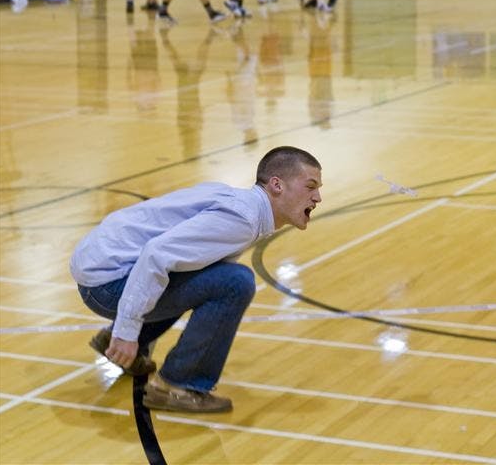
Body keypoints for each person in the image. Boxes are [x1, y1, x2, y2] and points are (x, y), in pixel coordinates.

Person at [70, 146, 322, 413]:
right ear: (277, 185)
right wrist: (125, 333)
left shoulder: (244, 206)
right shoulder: (243, 218)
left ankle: (123, 339)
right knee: (235, 283)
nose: (317, 197)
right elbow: (156, 256)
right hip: (107, 283)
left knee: (209, 274)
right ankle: (178, 386)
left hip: (105, 267)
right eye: (310, 186)